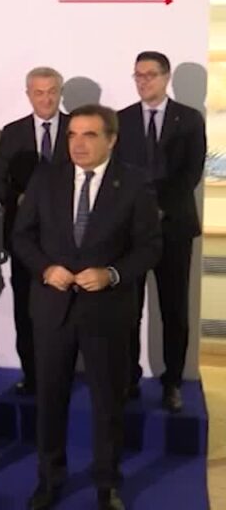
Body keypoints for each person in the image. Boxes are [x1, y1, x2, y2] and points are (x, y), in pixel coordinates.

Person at [15, 105, 161, 510]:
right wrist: (46, 269)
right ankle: (49, 479)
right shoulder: (46, 179)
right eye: (72, 135)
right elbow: (22, 236)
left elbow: (150, 247)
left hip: (107, 312)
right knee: (50, 399)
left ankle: (107, 482)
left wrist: (112, 274)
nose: (78, 144)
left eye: (90, 135)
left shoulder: (134, 183)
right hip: (53, 308)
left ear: (111, 139)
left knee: (107, 402)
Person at [114, 51, 207, 412]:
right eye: (138, 75)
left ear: (166, 78)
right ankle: (129, 377)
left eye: (150, 75)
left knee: (174, 309)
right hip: (131, 232)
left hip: (174, 227)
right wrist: (138, 212)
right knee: (128, 309)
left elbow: (190, 172)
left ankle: (173, 382)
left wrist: (159, 208)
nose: (143, 82)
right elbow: (117, 174)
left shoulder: (189, 119)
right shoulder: (121, 120)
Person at [0, 67, 70, 395]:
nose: (46, 99)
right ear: (28, 95)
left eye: (52, 92)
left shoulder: (77, 129)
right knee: (25, 309)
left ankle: (61, 374)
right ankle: (32, 376)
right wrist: (21, 199)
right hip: (24, 239)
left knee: (64, 312)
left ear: (60, 92)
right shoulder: (13, 132)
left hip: (68, 239)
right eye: (39, 93)